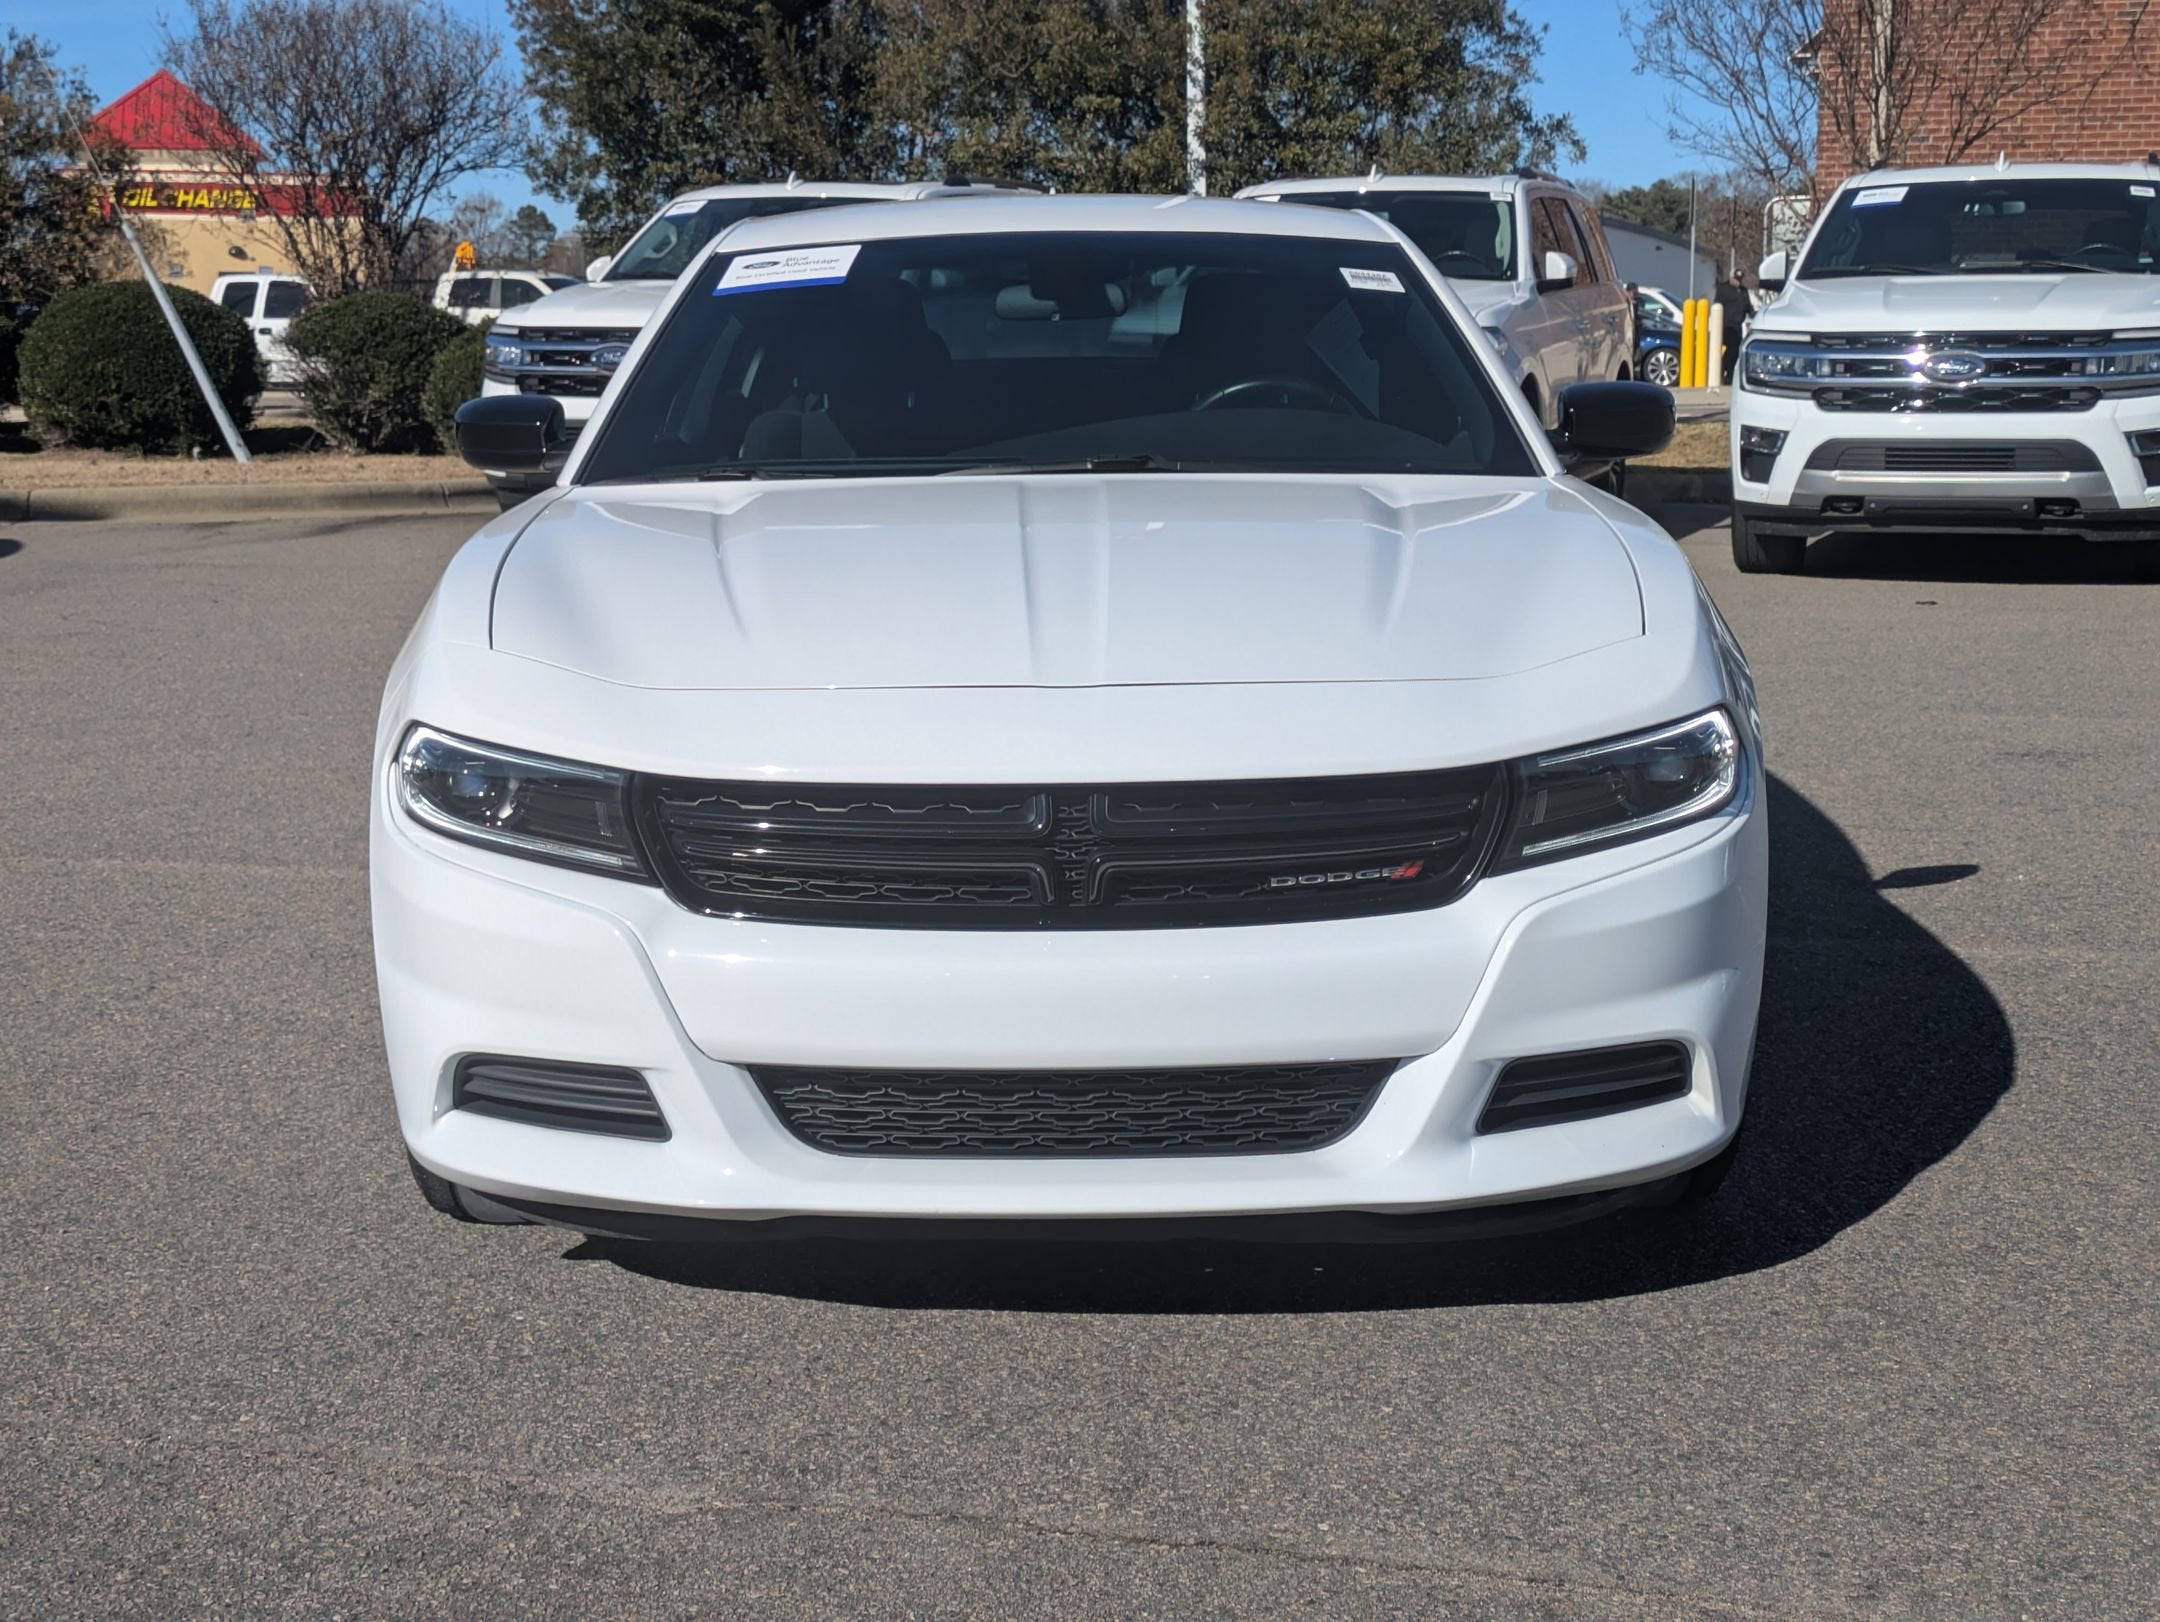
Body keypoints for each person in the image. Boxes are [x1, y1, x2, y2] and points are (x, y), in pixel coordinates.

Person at [1713, 270, 1751, 382]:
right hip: (1726, 326)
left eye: (1739, 280)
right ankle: (1724, 370)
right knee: (1731, 349)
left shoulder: (1743, 291)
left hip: (1738, 326)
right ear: (1731, 278)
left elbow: (1748, 306)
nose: (1737, 282)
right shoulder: (1723, 289)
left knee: (1735, 351)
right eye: (1735, 279)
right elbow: (1717, 305)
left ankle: (1729, 374)